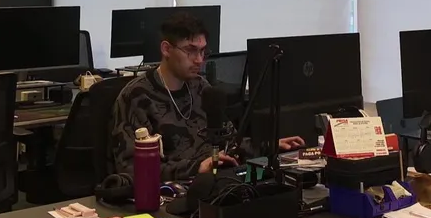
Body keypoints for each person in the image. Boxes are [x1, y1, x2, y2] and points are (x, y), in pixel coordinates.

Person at [110, 12, 305, 181]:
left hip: (215, 179)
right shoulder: (136, 97)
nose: (199, 60)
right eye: (190, 51)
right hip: (176, 191)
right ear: (166, 49)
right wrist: (197, 168)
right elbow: (131, 169)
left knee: (277, 184)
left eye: (202, 51)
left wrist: (268, 146)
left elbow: (229, 143)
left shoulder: (201, 87)